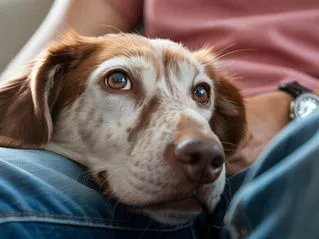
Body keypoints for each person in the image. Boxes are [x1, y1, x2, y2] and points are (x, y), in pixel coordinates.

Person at [0, 0, 318, 238]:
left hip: (288, 159)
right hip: (102, 178)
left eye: (201, 94)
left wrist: (300, 105)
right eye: (118, 81)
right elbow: (21, 92)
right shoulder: (52, 82)